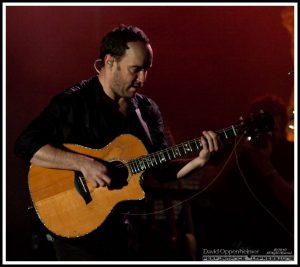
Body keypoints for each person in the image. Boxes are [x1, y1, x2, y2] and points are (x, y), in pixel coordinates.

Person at [14, 24, 219, 261]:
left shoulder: (146, 109)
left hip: (123, 232)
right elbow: (25, 143)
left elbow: (160, 170)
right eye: (135, 69)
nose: (143, 78)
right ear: (110, 62)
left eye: (146, 69)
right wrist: (84, 164)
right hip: (76, 232)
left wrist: (200, 160)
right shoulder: (74, 102)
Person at [185, 94, 294, 260]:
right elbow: (206, 187)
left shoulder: (289, 153)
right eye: (261, 128)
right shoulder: (234, 147)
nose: (266, 135)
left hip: (274, 244)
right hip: (228, 241)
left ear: (282, 130)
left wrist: (265, 165)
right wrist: (238, 149)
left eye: (273, 130)